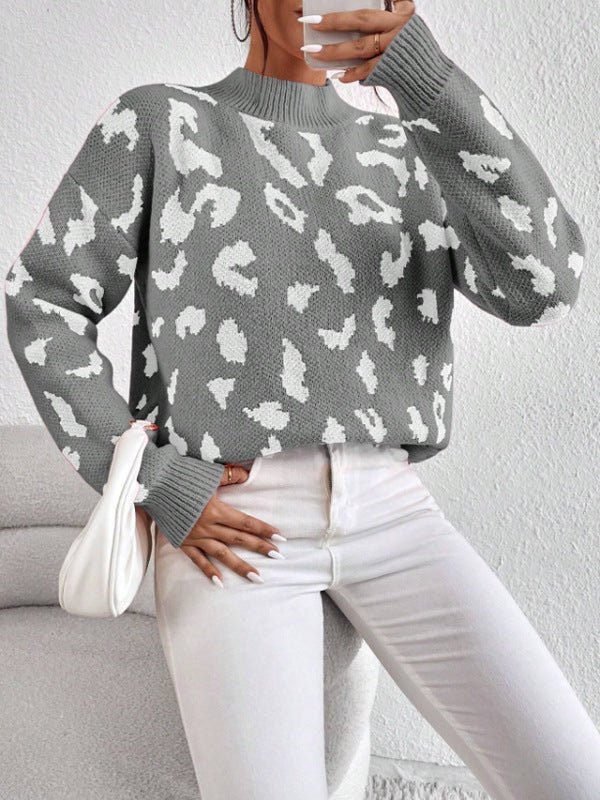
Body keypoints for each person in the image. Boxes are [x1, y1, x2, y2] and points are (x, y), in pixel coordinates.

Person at [5, 1, 599, 798]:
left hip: (393, 511)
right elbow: (43, 299)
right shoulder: (163, 122)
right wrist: (154, 479)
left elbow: (545, 287)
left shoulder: (411, 146)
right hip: (237, 528)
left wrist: (427, 81)